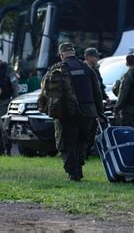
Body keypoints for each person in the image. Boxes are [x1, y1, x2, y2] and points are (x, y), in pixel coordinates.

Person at [47, 42, 104, 181]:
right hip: (88, 113)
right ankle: (78, 169)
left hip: (67, 113)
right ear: (73, 52)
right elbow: (97, 92)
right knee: (81, 142)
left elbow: (46, 92)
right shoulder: (87, 68)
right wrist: (100, 113)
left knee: (67, 143)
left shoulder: (57, 68)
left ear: (62, 55)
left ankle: (73, 173)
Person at [84, 47, 110, 158]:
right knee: (88, 129)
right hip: (89, 105)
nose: (97, 58)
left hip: (97, 103)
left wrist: (106, 97)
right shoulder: (85, 69)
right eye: (95, 56)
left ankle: (87, 152)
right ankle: (84, 153)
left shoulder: (95, 69)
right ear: (88, 57)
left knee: (93, 129)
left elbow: (100, 86)